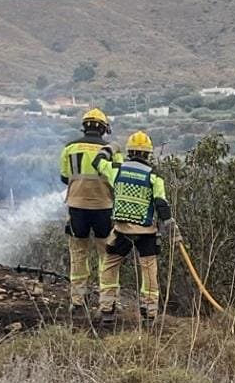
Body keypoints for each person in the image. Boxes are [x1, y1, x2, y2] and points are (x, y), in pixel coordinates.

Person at [93, 130, 174, 325]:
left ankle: (107, 310)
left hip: (122, 231)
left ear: (129, 152)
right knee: (149, 270)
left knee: (109, 266)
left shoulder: (117, 170)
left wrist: (110, 148)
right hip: (146, 233)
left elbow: (97, 162)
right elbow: (161, 203)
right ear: (148, 154)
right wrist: (170, 224)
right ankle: (149, 314)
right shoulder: (154, 176)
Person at [59, 108, 121, 311]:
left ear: (84, 127)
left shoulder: (69, 148)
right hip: (104, 208)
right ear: (103, 129)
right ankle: (108, 305)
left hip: (77, 208)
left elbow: (64, 177)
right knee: (107, 256)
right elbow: (118, 179)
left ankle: (77, 302)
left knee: (78, 254)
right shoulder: (111, 151)